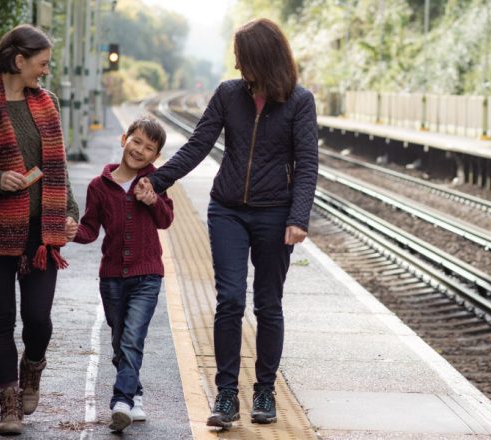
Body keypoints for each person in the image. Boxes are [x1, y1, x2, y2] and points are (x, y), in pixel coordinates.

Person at [139, 17, 318, 428]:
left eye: (243, 59)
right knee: (230, 300)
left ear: (264, 58)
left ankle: (265, 392)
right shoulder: (227, 94)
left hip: (276, 214)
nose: (238, 67)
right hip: (228, 210)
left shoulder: (299, 101)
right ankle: (225, 395)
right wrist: (156, 180)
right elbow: (198, 145)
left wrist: (298, 218)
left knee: (268, 304)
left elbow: (307, 164)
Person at [0, 24, 79, 435]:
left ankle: (33, 368)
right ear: (19, 61)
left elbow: (58, 168)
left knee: (37, 318)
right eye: (42, 63)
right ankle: (8, 402)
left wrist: (69, 212)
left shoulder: (46, 103)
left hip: (39, 235)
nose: (46, 72)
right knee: (0, 319)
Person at [71, 117, 173, 432]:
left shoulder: (155, 181)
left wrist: (152, 200)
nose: (140, 150)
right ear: (123, 139)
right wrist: (72, 231)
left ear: (155, 157)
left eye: (149, 148)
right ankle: (135, 391)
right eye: (137, 141)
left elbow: (166, 219)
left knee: (132, 338)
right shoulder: (98, 186)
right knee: (119, 340)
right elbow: (90, 229)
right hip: (112, 277)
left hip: (147, 274)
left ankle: (122, 400)